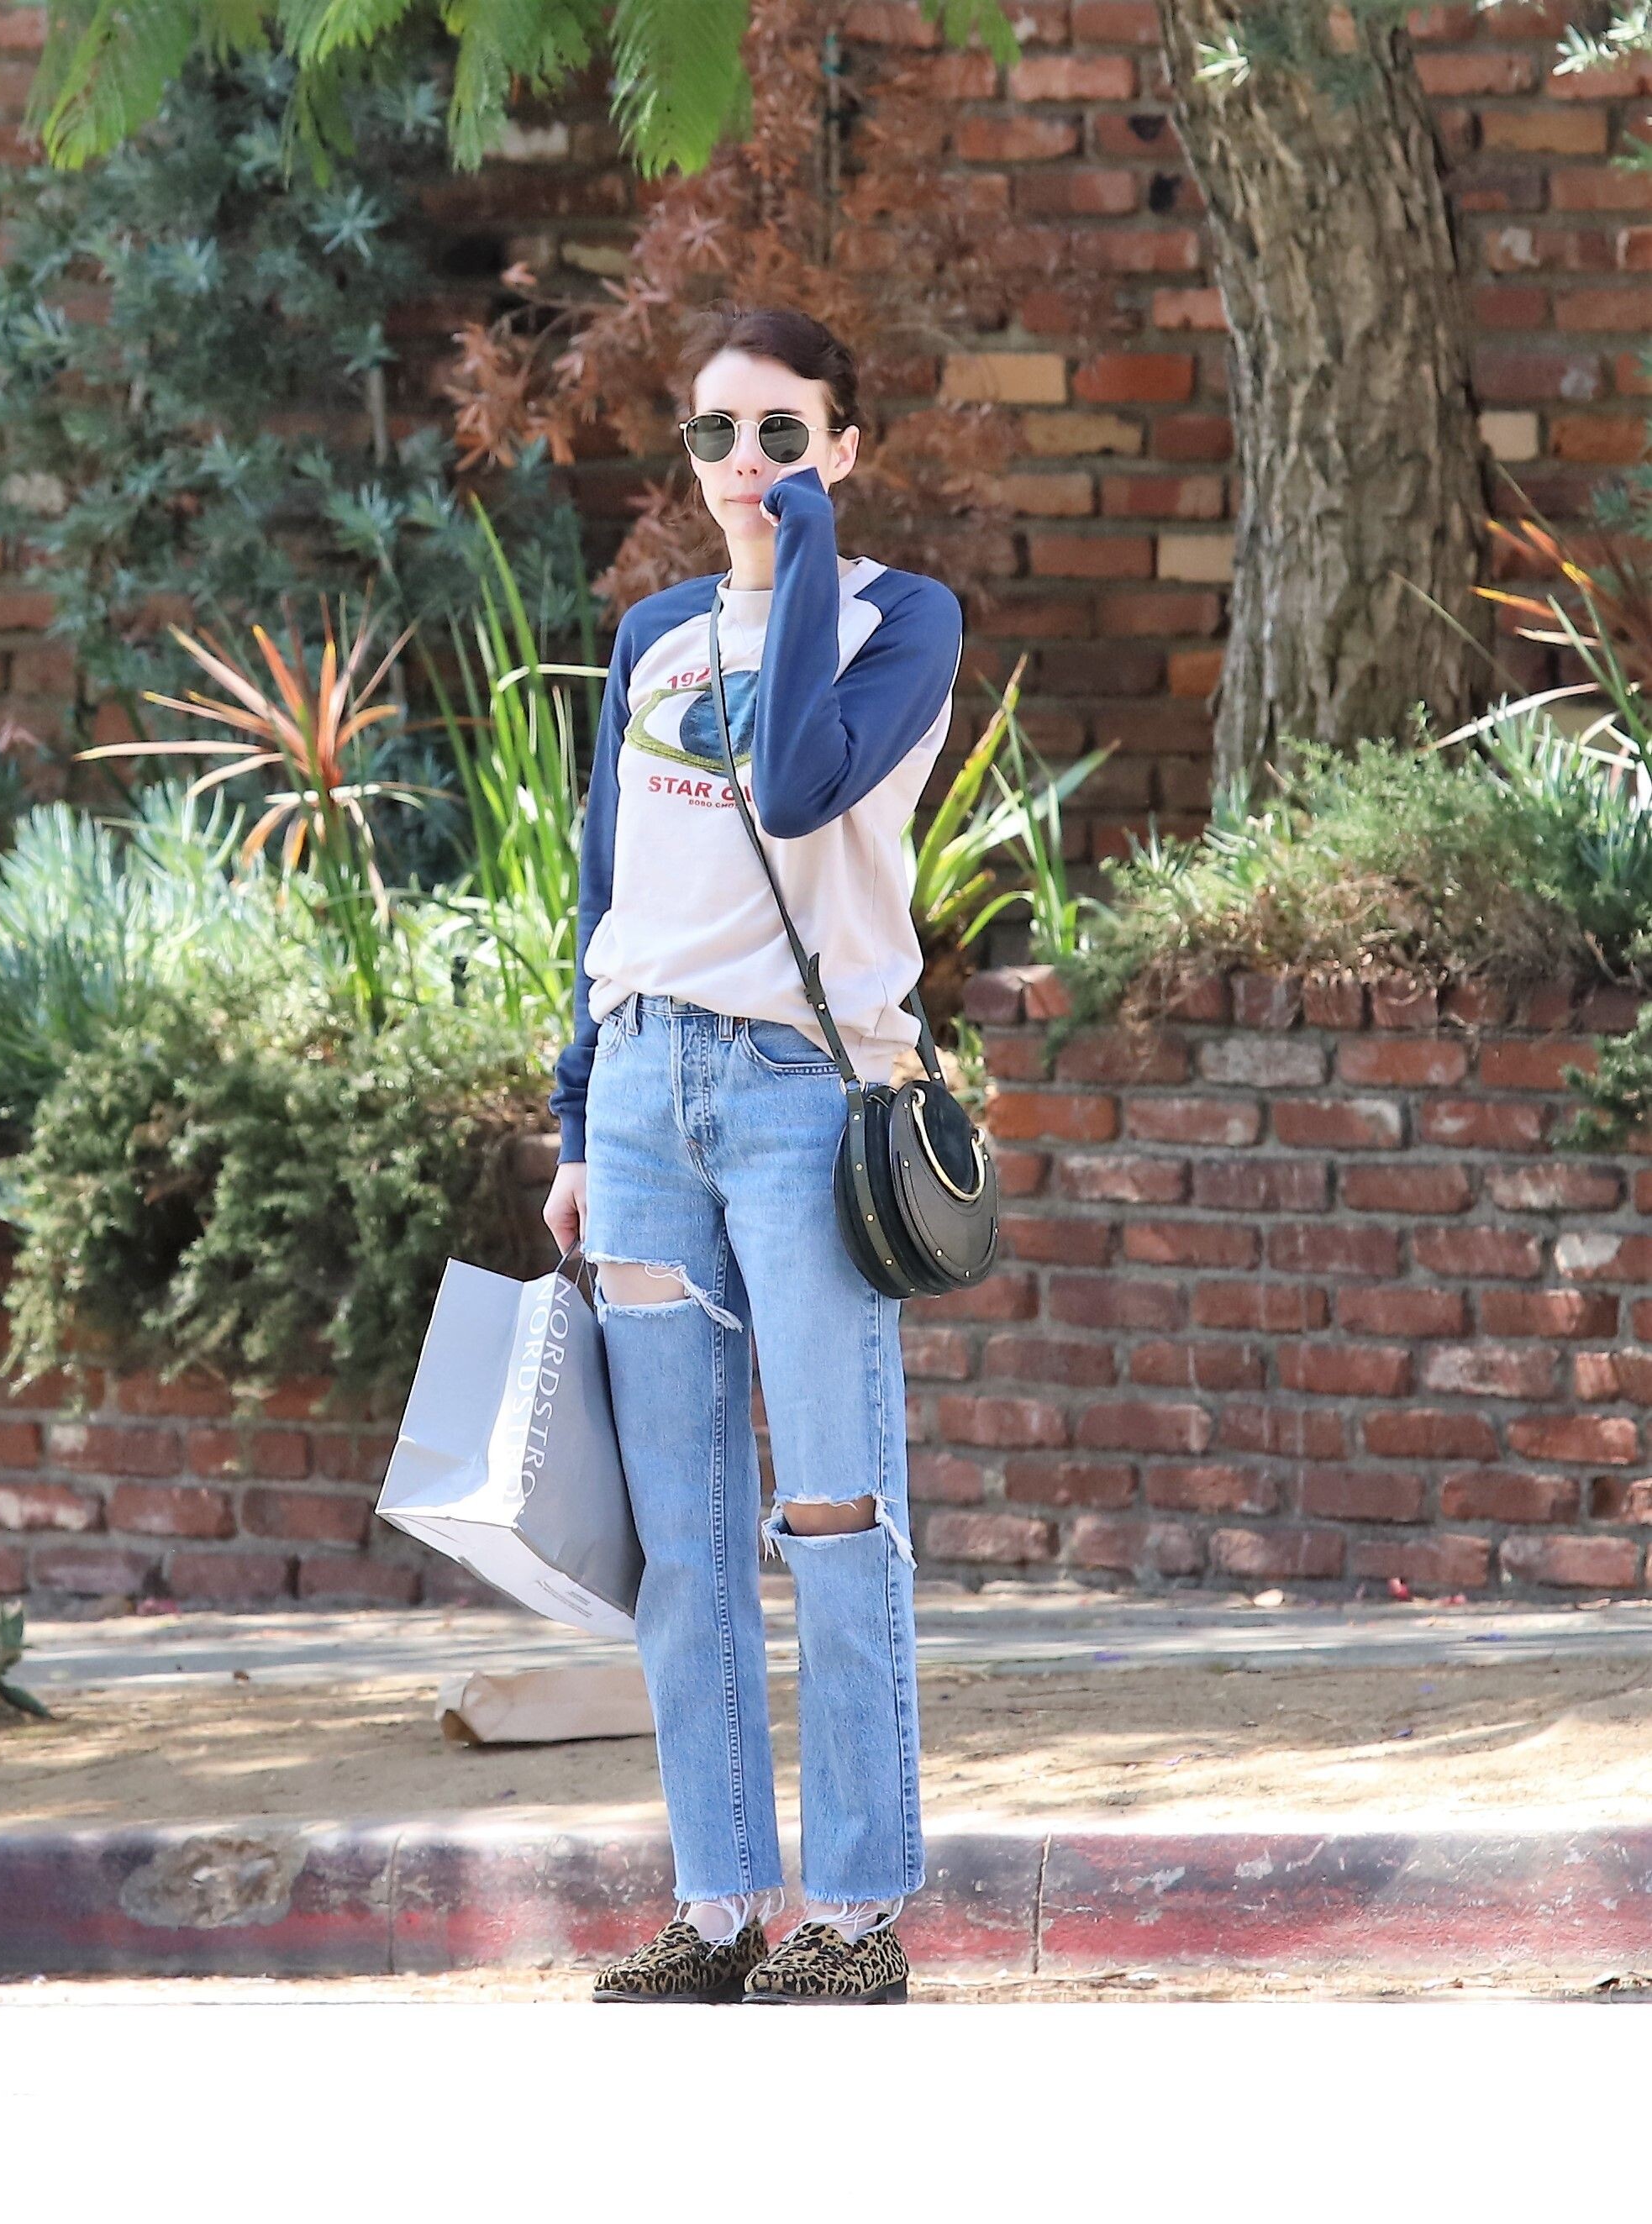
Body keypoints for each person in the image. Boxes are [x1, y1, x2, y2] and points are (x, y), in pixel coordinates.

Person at [542, 302, 964, 2006]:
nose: (743, 463)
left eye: (782, 434)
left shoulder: (896, 621)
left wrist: (797, 560)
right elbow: (605, 892)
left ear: (842, 450)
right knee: (684, 1534)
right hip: (646, 1098)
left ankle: (854, 1915)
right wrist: (577, 1118)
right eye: (715, 433)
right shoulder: (651, 635)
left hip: (802, 1097)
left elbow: (795, 787)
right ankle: (716, 1907)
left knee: (834, 1507)